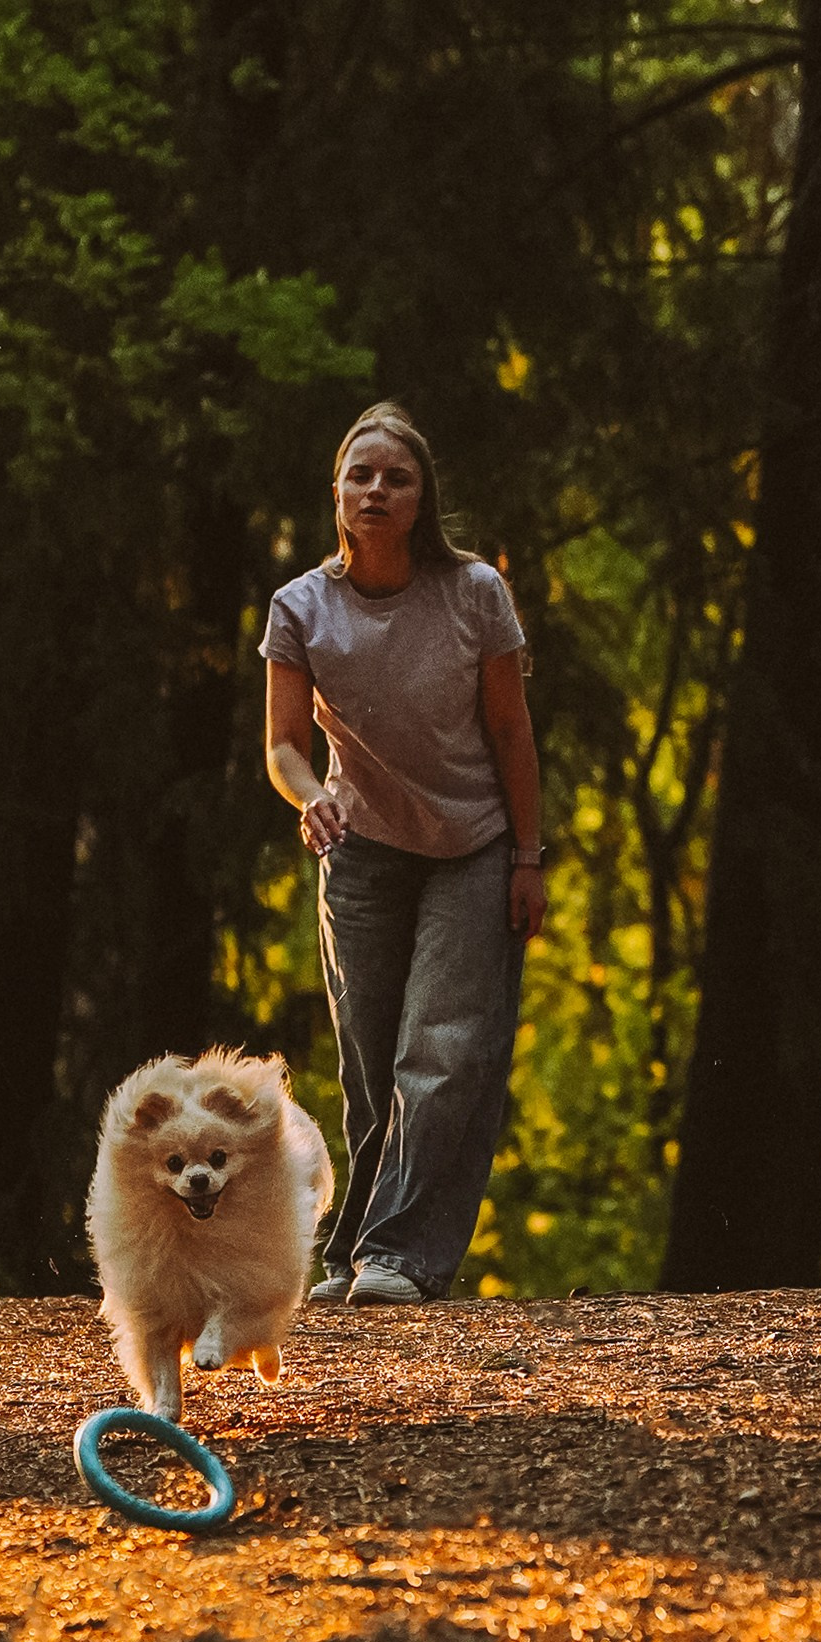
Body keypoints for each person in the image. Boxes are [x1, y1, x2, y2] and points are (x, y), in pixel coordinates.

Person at [260, 402, 545, 1305]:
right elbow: (282, 747)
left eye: (397, 477)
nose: (376, 489)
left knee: (446, 1050)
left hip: (472, 846)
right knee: (370, 1066)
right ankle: (354, 1252)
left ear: (423, 499)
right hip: (364, 852)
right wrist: (314, 799)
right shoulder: (300, 606)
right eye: (361, 475)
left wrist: (528, 857)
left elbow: (511, 730)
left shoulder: (474, 595)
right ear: (337, 493)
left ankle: (403, 1258)